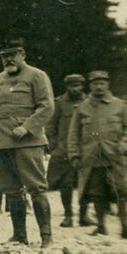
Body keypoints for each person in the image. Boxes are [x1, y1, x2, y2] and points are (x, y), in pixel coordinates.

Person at [0, 39, 56, 246]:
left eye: (13, 54)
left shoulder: (37, 76)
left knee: (36, 188)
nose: (8, 59)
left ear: (23, 54)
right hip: (1, 143)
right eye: (4, 56)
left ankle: (46, 237)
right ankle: (20, 236)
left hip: (27, 143)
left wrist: (27, 127)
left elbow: (47, 107)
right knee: (11, 190)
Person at [67, 70, 127, 239]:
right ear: (90, 85)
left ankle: (126, 228)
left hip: (115, 157)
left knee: (121, 192)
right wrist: (75, 155)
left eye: (102, 83)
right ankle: (101, 226)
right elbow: (73, 134)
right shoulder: (82, 108)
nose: (98, 87)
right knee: (96, 193)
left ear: (108, 84)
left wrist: (125, 145)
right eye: (95, 83)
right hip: (92, 159)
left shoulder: (121, 106)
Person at [46, 73, 90, 228]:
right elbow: (51, 125)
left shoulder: (89, 102)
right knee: (66, 184)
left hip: (85, 150)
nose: (75, 89)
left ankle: (84, 215)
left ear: (82, 86)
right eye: (72, 86)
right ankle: (68, 215)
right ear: (67, 87)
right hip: (64, 150)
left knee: (86, 183)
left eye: (78, 85)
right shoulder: (59, 103)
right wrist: (54, 145)